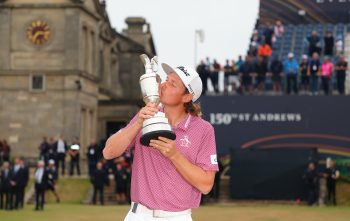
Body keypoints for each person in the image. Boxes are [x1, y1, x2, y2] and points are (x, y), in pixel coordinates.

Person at [103, 63, 218, 220]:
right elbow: (108, 152)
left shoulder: (203, 129)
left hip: (178, 217)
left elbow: (206, 185)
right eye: (166, 80)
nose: (163, 85)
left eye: (173, 84)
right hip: (139, 215)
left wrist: (175, 155)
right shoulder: (146, 115)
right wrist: (138, 124)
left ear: (187, 97)